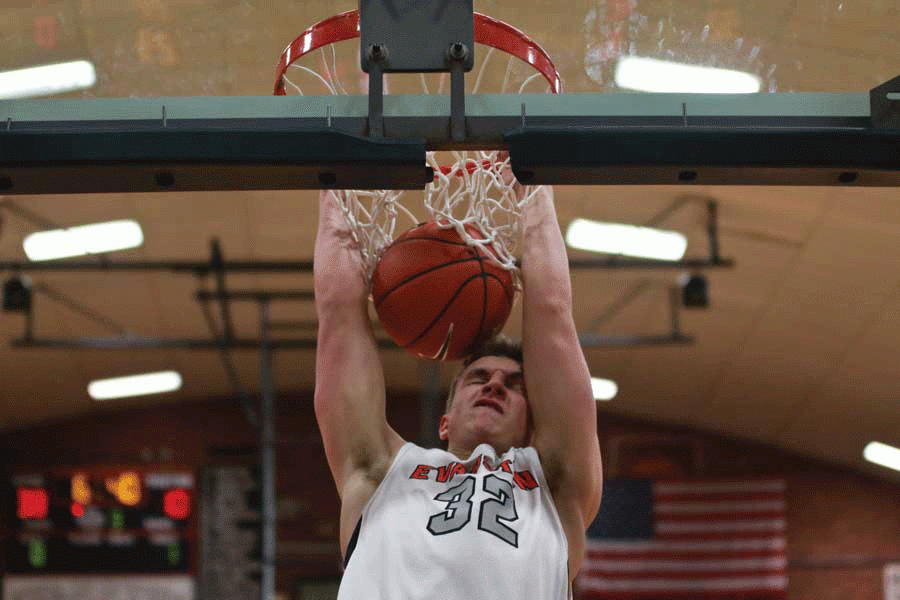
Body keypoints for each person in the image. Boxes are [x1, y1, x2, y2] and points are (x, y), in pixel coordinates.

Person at [314, 167, 602, 599]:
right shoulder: (381, 471)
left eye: (514, 384)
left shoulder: (555, 483)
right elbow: (338, 311)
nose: (494, 386)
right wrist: (339, 185)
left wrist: (535, 189)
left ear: (535, 423)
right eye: (478, 378)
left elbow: (553, 312)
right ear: (445, 421)